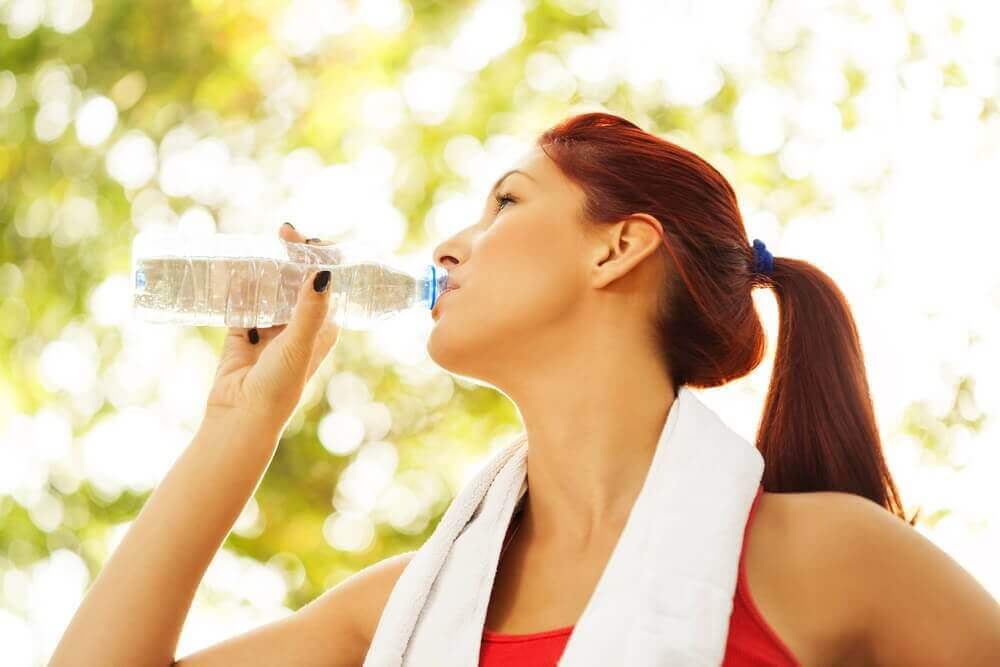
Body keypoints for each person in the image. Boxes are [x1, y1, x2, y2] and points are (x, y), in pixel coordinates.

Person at [52, 113, 1000, 667]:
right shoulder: (405, 605)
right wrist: (237, 426)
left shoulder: (830, 558)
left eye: (505, 201)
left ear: (617, 246)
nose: (448, 245)